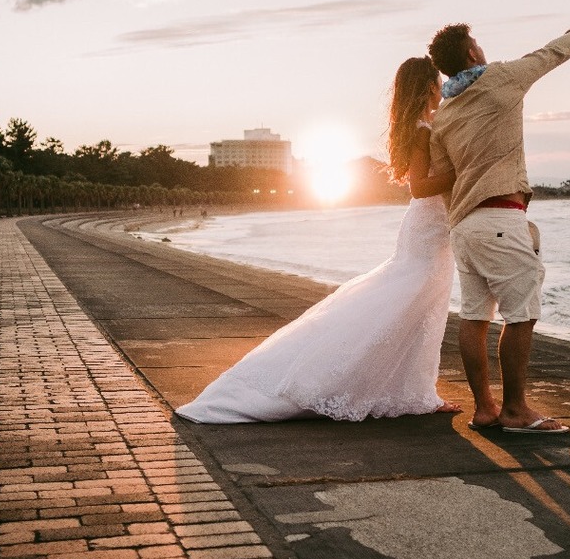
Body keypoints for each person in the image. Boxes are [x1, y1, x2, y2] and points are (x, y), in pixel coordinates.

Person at [176, 57, 460, 423]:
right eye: (438, 82)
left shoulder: (425, 126)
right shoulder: (422, 130)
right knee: (408, 303)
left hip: (431, 227)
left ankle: (416, 392)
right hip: (427, 228)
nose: (442, 89)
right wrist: (463, 172)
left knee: (423, 310)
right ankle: (384, 387)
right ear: (429, 87)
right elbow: (419, 187)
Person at [429, 21, 570, 434]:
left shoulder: (443, 116)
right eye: (477, 43)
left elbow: (443, 180)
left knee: (474, 316)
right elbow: (548, 55)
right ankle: (515, 410)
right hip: (499, 218)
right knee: (522, 313)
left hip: (465, 226)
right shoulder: (500, 80)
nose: (481, 48)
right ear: (471, 53)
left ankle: (485, 409)